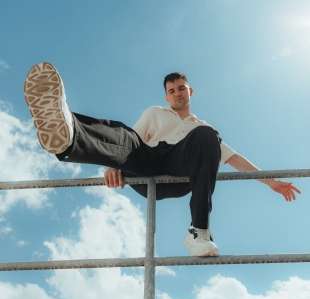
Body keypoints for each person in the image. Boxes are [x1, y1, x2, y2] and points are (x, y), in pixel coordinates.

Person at [23, 62, 301, 257]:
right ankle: (70, 133)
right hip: (147, 164)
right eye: (171, 90)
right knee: (124, 133)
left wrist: (271, 183)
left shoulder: (201, 128)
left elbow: (236, 159)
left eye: (181, 88)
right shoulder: (155, 113)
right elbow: (127, 141)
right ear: (166, 95)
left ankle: (198, 232)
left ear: (190, 91)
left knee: (209, 137)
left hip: (181, 170)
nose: (177, 93)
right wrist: (111, 165)